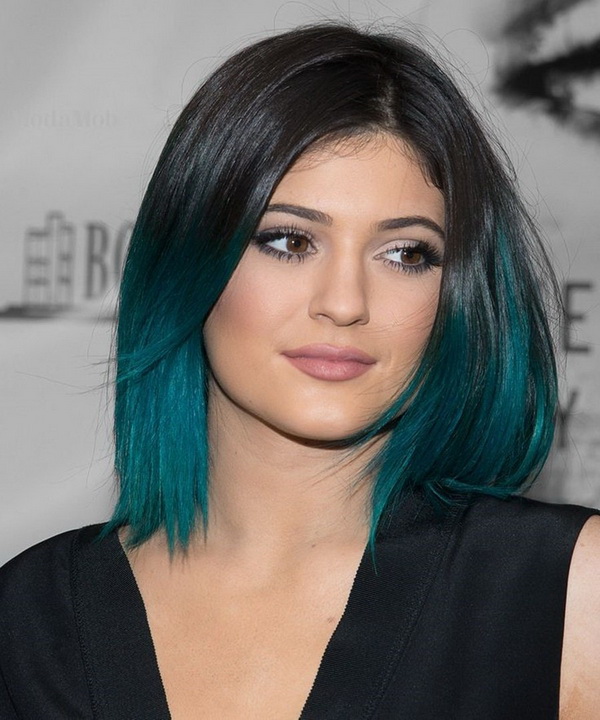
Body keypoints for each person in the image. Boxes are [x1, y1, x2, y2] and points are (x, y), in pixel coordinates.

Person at [1, 21, 599, 720]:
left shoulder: (569, 595)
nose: (344, 303)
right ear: (189, 261)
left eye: (406, 254)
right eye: (288, 241)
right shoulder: (30, 623)